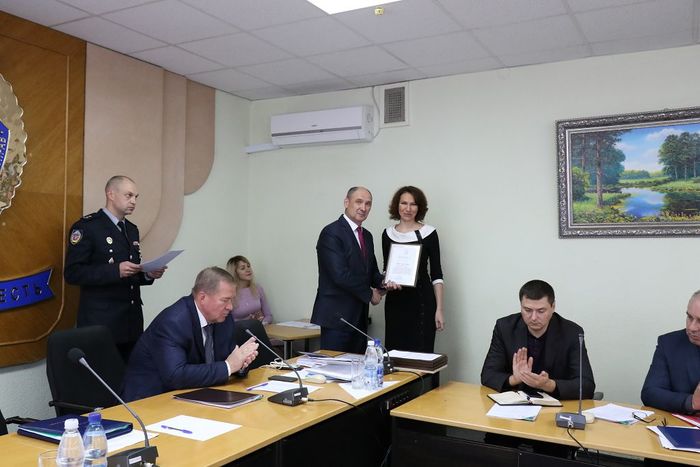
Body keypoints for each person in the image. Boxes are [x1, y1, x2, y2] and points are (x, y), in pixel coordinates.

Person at [64, 175, 166, 362]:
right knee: (104, 377)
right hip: (101, 323)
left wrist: (148, 274)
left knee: (130, 376)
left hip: (130, 323)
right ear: (111, 194)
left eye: (136, 197)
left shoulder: (131, 229)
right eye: (128, 195)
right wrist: (115, 271)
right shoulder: (88, 227)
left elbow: (130, 273)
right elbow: (73, 273)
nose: (133, 201)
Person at [122, 267, 259, 402]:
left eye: (232, 300)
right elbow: (175, 375)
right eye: (225, 300)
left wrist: (241, 363)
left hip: (195, 393)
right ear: (202, 297)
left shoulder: (223, 318)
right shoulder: (173, 322)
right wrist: (229, 367)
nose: (230, 306)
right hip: (150, 399)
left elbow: (227, 359)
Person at [311, 186, 395, 354]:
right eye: (358, 202)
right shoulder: (331, 233)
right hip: (337, 319)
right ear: (346, 202)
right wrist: (370, 294)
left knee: (358, 368)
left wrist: (385, 282)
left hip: (360, 319)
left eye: (368, 204)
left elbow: (371, 273)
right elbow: (340, 275)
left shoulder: (367, 236)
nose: (363, 208)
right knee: (335, 368)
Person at [481, 280, 595, 400]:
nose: (534, 318)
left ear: (553, 307)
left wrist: (548, 384)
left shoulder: (571, 332)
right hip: (516, 403)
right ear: (521, 306)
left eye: (541, 311)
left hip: (556, 404)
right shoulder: (505, 328)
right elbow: (487, 375)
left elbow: (586, 386)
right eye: (527, 310)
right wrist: (514, 379)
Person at [381, 186, 444, 353]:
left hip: (422, 303)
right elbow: (386, 270)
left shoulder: (429, 233)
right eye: (404, 203)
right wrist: (385, 284)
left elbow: (437, 274)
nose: (408, 209)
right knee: (395, 355)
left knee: (421, 356)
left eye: (413, 204)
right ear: (397, 205)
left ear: (419, 207)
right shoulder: (387, 234)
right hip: (395, 304)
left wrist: (439, 310)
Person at [641, 290, 700, 413]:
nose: (691, 327)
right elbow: (650, 393)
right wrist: (691, 402)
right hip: (681, 423)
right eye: (689, 317)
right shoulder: (670, 343)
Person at [227, 255, 273, 324]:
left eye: (248, 266)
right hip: (238, 329)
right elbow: (226, 323)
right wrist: (248, 321)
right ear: (235, 273)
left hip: (258, 328)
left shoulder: (257, 288)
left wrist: (263, 323)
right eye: (242, 268)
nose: (248, 270)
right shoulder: (228, 293)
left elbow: (268, 315)